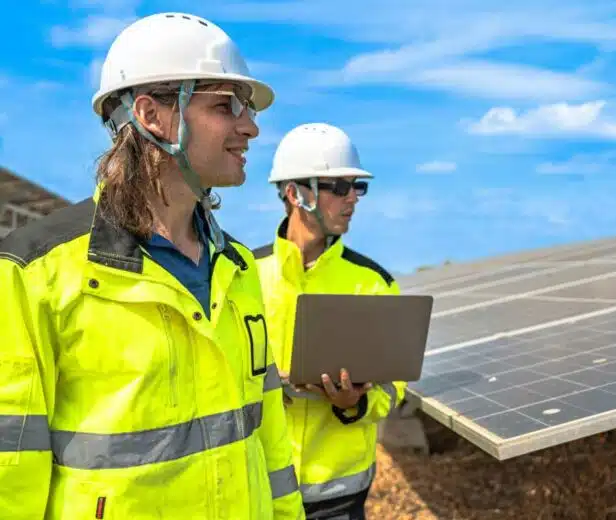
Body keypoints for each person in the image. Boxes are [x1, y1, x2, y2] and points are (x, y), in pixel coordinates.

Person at [0, 12, 304, 520]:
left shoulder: (238, 267)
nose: (250, 127)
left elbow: (267, 436)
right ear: (151, 115)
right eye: (227, 105)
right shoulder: (33, 273)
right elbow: (10, 470)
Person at [253, 123, 407, 520]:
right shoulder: (242, 275)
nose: (352, 199)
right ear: (294, 193)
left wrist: (353, 403)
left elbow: (393, 388)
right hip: (260, 486)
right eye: (338, 187)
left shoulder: (373, 283)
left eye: (357, 187)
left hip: (339, 494)